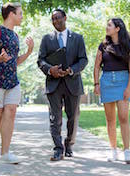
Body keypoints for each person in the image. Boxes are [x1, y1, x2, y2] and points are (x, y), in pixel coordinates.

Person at [0, 2, 34, 164]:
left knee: (10, 112)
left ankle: (5, 154)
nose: (22, 17)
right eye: (20, 13)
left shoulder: (15, 36)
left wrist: (29, 52)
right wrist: (0, 58)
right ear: (11, 14)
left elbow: (15, 62)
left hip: (12, 80)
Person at [37, 9, 88, 161]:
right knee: (55, 118)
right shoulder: (47, 39)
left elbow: (83, 60)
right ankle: (58, 149)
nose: (55, 21)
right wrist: (50, 70)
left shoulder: (78, 38)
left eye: (58, 18)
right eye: (52, 19)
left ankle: (69, 145)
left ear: (65, 18)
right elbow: (41, 60)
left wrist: (72, 70)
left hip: (72, 83)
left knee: (72, 117)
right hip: (54, 84)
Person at [93, 18, 130, 164]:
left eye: (109, 25)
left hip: (123, 82)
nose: (107, 27)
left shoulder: (129, 47)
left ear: (118, 28)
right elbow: (96, 66)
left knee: (123, 117)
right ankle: (113, 150)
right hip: (106, 81)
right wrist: (96, 84)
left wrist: (128, 88)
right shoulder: (103, 45)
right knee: (110, 119)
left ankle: (127, 150)